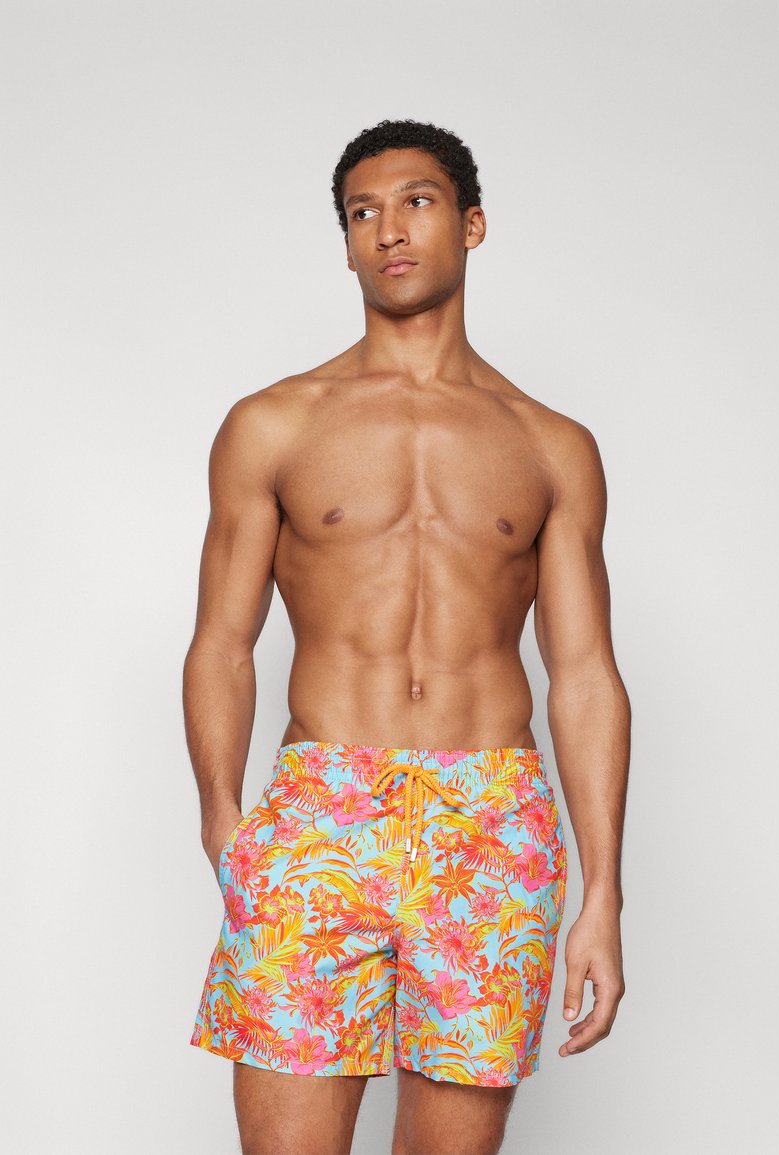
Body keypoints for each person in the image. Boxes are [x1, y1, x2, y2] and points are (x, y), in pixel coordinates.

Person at [185, 118, 630, 1155]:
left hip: (492, 820)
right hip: (320, 810)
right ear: (345, 243)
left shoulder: (551, 446)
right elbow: (221, 642)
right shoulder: (274, 424)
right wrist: (223, 823)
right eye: (362, 212)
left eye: (417, 202)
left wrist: (602, 893)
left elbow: (582, 675)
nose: (388, 229)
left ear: (471, 225)